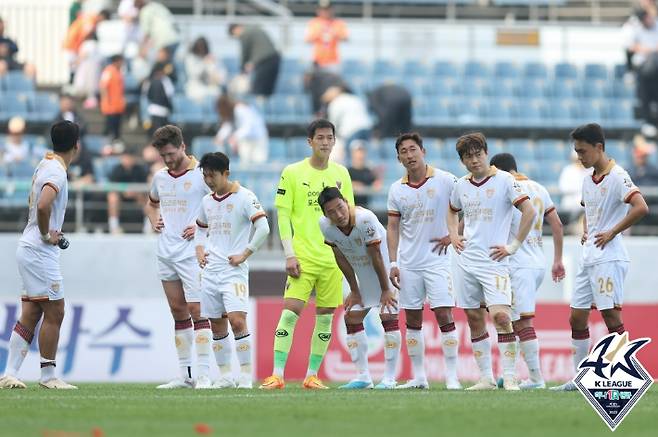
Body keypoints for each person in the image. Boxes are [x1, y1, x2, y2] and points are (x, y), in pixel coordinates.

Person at [552, 123, 649, 391]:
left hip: (609, 257)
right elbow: (589, 211)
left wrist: (611, 232)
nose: (580, 157)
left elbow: (641, 207)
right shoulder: (586, 179)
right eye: (577, 152)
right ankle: (580, 379)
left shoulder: (618, 175)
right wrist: (587, 230)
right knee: (576, 318)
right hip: (589, 256)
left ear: (599, 148)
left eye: (583, 152)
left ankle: (628, 375)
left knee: (611, 318)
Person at [260, 119, 354, 390]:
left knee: (325, 317)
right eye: (320, 138)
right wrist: (289, 254)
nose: (325, 142)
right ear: (310, 142)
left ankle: (312, 375)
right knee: (290, 314)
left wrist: (349, 256)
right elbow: (283, 215)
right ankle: (277, 374)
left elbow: (349, 215)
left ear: (335, 141)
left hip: (333, 259)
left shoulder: (342, 173)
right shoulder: (292, 172)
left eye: (329, 137)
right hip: (303, 257)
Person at [443, 132, 537, 391]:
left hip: (494, 261)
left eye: (478, 154)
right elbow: (451, 211)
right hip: (466, 260)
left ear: (486, 153)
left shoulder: (506, 180)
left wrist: (513, 246)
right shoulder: (460, 185)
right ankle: (485, 377)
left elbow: (530, 211)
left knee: (501, 315)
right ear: (462, 161)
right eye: (468, 157)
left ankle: (509, 375)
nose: (474, 160)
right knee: (474, 317)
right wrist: (453, 235)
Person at [0, 121, 80, 390]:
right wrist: (47, 235)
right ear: (76, 146)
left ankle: (9, 372)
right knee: (56, 310)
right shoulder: (57, 171)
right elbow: (45, 205)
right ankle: (48, 375)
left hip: (29, 246)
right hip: (39, 249)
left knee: (32, 312)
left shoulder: (45, 163)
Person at [387, 132, 462, 390]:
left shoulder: (447, 180)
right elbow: (393, 227)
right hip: (409, 263)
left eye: (413, 149)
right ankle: (419, 377)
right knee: (413, 319)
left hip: (438, 261)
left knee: (444, 314)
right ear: (399, 158)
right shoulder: (396, 189)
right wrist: (392, 263)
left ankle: (452, 376)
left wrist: (454, 235)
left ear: (423, 151)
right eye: (404, 152)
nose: (409, 155)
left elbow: (468, 208)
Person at [143, 125, 213, 389]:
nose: (168, 160)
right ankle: (186, 376)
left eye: (171, 153)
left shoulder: (202, 175)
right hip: (166, 252)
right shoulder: (160, 177)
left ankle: (204, 374)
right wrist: (153, 219)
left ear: (183, 146)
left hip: (192, 252)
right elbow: (151, 203)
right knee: (178, 311)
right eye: (163, 155)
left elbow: (222, 203)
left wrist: (201, 225)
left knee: (198, 310)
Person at [489, 153, 565, 390]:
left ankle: (535, 379)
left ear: (498, 170)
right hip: (538, 261)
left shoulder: (507, 187)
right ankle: (511, 374)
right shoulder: (539, 187)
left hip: (518, 262)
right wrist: (558, 260)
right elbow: (558, 225)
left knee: (521, 323)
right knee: (513, 319)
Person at [195, 152, 270, 389]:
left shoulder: (245, 197)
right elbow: (200, 228)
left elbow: (264, 228)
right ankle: (226, 375)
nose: (208, 180)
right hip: (211, 271)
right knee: (216, 324)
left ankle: (246, 375)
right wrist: (199, 249)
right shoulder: (207, 201)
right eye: (205, 175)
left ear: (226, 173)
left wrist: (245, 253)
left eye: (212, 175)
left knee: (237, 321)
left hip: (233, 270)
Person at [318, 187, 400, 389]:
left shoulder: (365, 219)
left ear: (346, 201)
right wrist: (354, 290)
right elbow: (339, 256)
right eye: (331, 212)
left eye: (340, 208)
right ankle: (364, 377)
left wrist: (385, 290)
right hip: (363, 275)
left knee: (388, 315)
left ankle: (389, 378)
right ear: (325, 215)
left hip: (384, 272)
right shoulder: (326, 226)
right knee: (351, 318)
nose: (338, 215)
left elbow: (377, 256)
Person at [228, 23, 281, 98]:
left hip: (264, 62)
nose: (237, 38)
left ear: (235, 29)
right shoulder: (254, 28)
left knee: (258, 91)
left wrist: (242, 69)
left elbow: (245, 52)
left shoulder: (245, 33)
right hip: (275, 58)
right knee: (268, 91)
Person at [322, 86, 372, 163]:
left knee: (351, 157)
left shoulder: (336, 102)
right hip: (366, 128)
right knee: (363, 153)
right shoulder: (355, 98)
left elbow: (333, 123)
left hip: (352, 130)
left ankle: (352, 173)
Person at [215, 94, 268, 165]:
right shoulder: (232, 112)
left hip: (258, 139)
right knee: (244, 165)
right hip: (245, 140)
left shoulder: (240, 109)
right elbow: (228, 126)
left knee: (258, 164)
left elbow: (248, 127)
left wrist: (235, 137)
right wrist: (220, 137)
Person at [106, 151, 149, 234]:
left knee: (149, 199)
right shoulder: (116, 169)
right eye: (125, 158)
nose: (127, 160)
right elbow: (112, 186)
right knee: (112, 197)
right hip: (120, 196)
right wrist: (123, 192)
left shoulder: (140, 169)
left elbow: (145, 186)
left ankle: (148, 227)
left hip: (138, 196)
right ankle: (114, 227)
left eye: (129, 158)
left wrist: (136, 192)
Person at [305, 1, 349, 71]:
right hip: (318, 61)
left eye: (327, 10)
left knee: (333, 81)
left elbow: (345, 38)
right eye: (323, 10)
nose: (325, 12)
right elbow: (308, 40)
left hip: (333, 61)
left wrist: (333, 33)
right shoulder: (314, 23)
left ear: (332, 10)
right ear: (319, 11)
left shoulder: (338, 23)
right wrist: (320, 33)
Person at [184, 36, 226, 103]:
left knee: (216, 93)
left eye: (203, 48)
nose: (201, 50)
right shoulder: (190, 58)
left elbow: (221, 75)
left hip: (210, 86)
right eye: (199, 48)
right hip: (195, 86)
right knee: (199, 95)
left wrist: (212, 64)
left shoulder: (211, 56)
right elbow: (193, 75)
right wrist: (204, 63)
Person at [559, 151, 591, 234]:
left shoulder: (590, 170)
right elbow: (563, 188)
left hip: (587, 204)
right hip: (572, 202)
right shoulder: (568, 170)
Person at [144, 61, 175, 136]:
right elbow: (169, 94)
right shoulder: (165, 81)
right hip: (158, 110)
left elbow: (147, 95)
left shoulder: (150, 81)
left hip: (156, 110)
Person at [99, 54, 125, 141]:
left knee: (117, 127)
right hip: (110, 105)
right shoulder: (109, 71)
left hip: (118, 105)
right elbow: (103, 86)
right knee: (110, 126)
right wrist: (106, 100)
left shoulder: (119, 72)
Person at [347, 142, 381, 208]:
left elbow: (376, 184)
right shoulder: (347, 171)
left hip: (366, 208)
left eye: (362, 152)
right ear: (352, 154)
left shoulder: (369, 171)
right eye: (357, 152)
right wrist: (353, 185)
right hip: (351, 208)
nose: (360, 155)